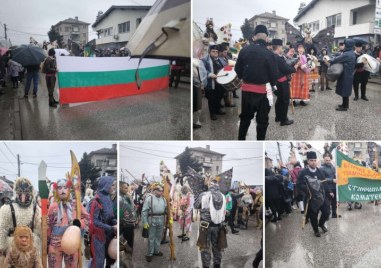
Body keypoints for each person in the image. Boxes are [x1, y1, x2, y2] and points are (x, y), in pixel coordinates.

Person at [234, 24, 277, 140]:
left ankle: (241, 140)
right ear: (267, 38)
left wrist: (244, 77)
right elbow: (274, 76)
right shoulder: (270, 54)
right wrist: (272, 85)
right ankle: (260, 141)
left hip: (247, 90)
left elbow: (237, 69)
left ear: (254, 37)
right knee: (262, 121)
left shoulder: (244, 50)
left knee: (245, 118)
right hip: (264, 91)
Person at [47, 178, 89, 268]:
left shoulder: (76, 204)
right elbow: (48, 226)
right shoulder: (53, 206)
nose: (62, 190)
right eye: (59, 188)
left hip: (72, 242)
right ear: (56, 190)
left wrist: (79, 223)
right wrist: (46, 243)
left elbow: (87, 218)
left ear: (69, 189)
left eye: (65, 187)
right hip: (55, 244)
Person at [0, 177, 41, 264]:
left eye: (26, 192)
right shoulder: (7, 208)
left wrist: (44, 224)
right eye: (20, 192)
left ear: (31, 193)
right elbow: (2, 229)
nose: (23, 196)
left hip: (31, 247)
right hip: (12, 247)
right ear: (16, 192)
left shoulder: (35, 208)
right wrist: (1, 248)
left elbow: (39, 229)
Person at [297, 151, 332, 237]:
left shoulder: (320, 171)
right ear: (308, 161)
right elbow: (299, 184)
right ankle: (316, 230)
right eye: (311, 160)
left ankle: (321, 224)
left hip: (321, 196)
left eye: (315, 160)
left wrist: (330, 191)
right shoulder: (303, 172)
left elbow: (324, 182)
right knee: (313, 215)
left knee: (327, 212)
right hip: (311, 198)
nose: (313, 162)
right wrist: (307, 190)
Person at [194, 179, 227, 268]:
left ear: (209, 185)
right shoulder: (223, 196)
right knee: (218, 247)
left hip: (205, 226)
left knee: (205, 247)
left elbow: (196, 205)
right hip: (218, 226)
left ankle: (206, 266)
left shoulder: (204, 194)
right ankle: (217, 265)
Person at [88, 176, 117, 268]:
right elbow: (94, 222)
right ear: (105, 185)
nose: (114, 187)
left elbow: (110, 216)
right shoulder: (95, 201)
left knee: (107, 259)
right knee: (98, 262)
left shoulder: (108, 198)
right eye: (112, 185)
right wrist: (111, 227)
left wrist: (115, 222)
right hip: (98, 236)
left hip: (108, 234)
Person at [272, 38, 298, 126]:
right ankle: (284, 120)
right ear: (278, 47)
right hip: (281, 82)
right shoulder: (277, 58)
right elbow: (286, 69)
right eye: (281, 47)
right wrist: (295, 67)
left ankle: (278, 117)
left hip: (276, 82)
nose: (282, 49)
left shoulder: (272, 56)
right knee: (284, 101)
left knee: (279, 99)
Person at [325, 39, 356, 111]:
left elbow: (337, 59)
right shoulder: (350, 52)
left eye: (345, 44)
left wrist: (329, 60)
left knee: (345, 90)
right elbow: (340, 55)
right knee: (344, 90)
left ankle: (344, 107)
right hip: (347, 74)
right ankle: (345, 104)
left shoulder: (347, 54)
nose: (344, 45)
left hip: (346, 75)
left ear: (348, 45)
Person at [142, 183, 167, 262]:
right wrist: (145, 222)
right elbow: (144, 211)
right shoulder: (149, 198)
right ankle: (149, 253)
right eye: (159, 190)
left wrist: (168, 219)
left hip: (161, 219)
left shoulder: (164, 199)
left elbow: (167, 210)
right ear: (155, 191)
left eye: (162, 191)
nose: (161, 192)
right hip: (152, 220)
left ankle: (156, 251)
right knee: (151, 237)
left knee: (159, 237)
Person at [201, 44, 226, 120]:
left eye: (216, 51)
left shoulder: (220, 59)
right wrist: (209, 74)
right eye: (213, 51)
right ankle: (212, 114)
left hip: (219, 83)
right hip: (210, 83)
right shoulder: (204, 60)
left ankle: (217, 110)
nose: (215, 53)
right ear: (209, 52)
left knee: (219, 97)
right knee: (211, 99)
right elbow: (202, 70)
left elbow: (223, 68)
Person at [119, 181, 137, 252]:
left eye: (127, 188)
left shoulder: (126, 197)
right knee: (125, 245)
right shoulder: (119, 199)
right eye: (125, 188)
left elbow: (132, 208)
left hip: (130, 224)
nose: (127, 189)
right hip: (124, 225)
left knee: (130, 243)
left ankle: (128, 258)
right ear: (120, 188)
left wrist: (131, 199)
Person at [320, 152, 337, 218]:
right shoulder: (321, 168)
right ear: (324, 160)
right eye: (326, 160)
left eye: (329, 160)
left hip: (334, 187)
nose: (328, 161)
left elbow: (334, 175)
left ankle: (334, 213)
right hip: (326, 188)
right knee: (327, 203)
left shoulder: (332, 167)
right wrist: (332, 180)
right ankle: (326, 215)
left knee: (334, 201)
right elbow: (322, 179)